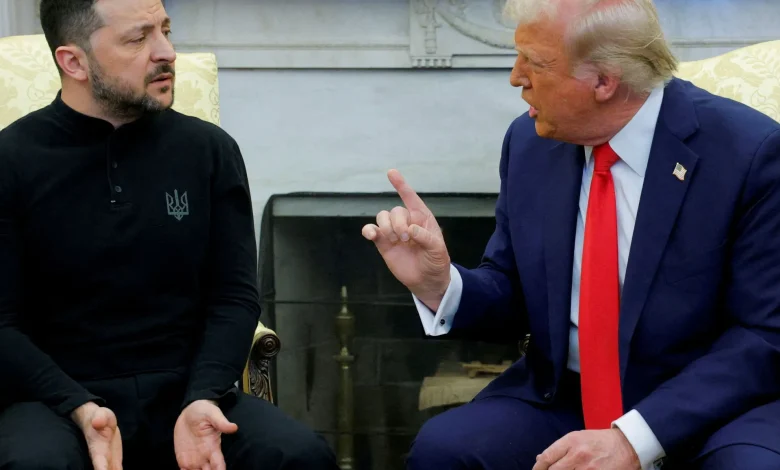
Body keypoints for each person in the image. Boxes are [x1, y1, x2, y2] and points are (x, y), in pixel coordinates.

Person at [363, 0, 780, 469]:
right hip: (566, 395)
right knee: (447, 451)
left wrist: (633, 438)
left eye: (535, 62)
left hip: (709, 409)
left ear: (604, 80)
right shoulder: (530, 143)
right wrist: (439, 284)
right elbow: (513, 291)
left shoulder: (749, 154)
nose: (516, 77)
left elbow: (764, 335)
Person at [0, 0, 339, 469]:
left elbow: (235, 297)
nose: (166, 52)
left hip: (187, 392)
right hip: (56, 402)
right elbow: (2, 323)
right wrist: (78, 406)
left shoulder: (209, 150)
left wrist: (204, 396)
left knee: (299, 455)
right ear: (73, 62)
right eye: (138, 38)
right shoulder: (11, 160)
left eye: (165, 30)